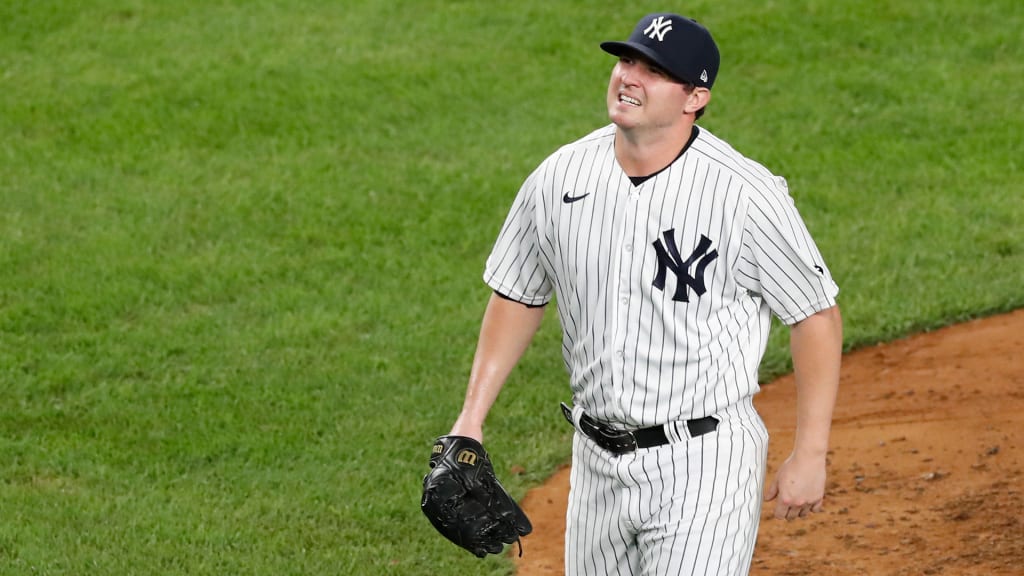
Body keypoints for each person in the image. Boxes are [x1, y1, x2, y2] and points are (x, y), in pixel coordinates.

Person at [447, 12, 843, 575]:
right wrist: (471, 416)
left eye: (654, 71)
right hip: (594, 462)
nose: (629, 76)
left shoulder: (744, 195)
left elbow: (815, 316)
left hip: (703, 464)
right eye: (627, 60)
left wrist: (811, 452)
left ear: (694, 97)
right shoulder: (560, 177)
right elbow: (518, 292)